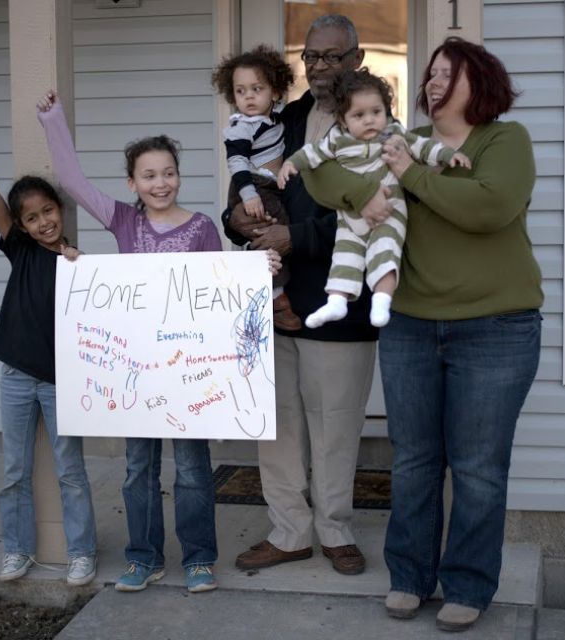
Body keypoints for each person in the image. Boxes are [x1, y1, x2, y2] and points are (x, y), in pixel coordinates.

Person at [303, 37, 543, 631]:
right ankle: (410, 577)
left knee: (478, 467)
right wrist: (364, 194)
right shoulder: (393, 139)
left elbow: (490, 206)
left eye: (447, 73)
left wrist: (408, 174)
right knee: (413, 462)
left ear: (478, 81)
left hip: (496, 328)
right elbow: (322, 176)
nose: (433, 83)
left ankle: (466, 585)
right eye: (430, 74)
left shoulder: (502, 140)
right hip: (410, 323)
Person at [36, 90, 222, 594]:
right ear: (132, 183)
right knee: (138, 467)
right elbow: (72, 182)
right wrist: (53, 119)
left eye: (168, 172)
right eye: (149, 175)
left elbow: (222, 298)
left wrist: (260, 271)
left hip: (188, 371)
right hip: (135, 373)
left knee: (191, 468)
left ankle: (200, 557)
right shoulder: (123, 220)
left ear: (179, 175)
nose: (160, 183)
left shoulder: (203, 228)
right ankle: (144, 557)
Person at [223, 15, 377, 576]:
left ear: (356, 59)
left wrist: (297, 236)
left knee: (335, 425)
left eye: (331, 57)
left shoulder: (374, 124)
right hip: (272, 302)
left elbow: (376, 218)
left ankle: (335, 530)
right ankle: (289, 531)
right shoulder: (281, 119)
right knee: (278, 423)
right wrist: (235, 217)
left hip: (339, 304)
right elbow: (245, 190)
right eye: (310, 57)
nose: (317, 67)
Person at [278, 67, 470, 329]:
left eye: (376, 112)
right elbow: (312, 154)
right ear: (343, 120)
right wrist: (290, 163)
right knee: (345, 255)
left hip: (389, 211)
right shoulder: (337, 139)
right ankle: (336, 302)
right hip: (351, 216)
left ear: (386, 110)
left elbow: (422, 147)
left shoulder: (393, 134)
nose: (369, 120)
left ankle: (381, 300)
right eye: (359, 115)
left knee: (385, 251)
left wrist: (448, 155)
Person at [0, 168, 97, 586]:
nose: (43, 222)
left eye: (48, 211)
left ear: (61, 211)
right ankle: (17, 550)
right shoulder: (20, 249)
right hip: (16, 375)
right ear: (20, 226)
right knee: (15, 468)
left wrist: (78, 262)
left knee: (70, 470)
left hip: (60, 382)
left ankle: (81, 553)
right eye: (31, 218)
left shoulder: (78, 265)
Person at [212, 44, 301, 332]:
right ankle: (275, 297)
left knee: (267, 238)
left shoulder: (272, 120)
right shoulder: (243, 125)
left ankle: (263, 287)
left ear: (274, 92)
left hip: (265, 186)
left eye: (257, 88)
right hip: (252, 186)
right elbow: (236, 160)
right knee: (275, 234)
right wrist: (249, 195)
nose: (248, 96)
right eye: (240, 91)